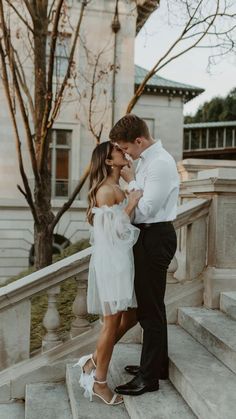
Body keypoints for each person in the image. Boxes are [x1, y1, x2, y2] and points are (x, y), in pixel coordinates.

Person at [109, 114, 179, 396]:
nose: (125, 153)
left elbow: (147, 208)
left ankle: (149, 378)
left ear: (139, 141)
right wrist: (133, 184)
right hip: (147, 236)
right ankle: (156, 365)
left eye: (126, 148)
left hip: (156, 235)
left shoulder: (160, 163)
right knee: (152, 306)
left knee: (150, 311)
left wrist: (130, 182)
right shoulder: (147, 161)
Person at [74, 141, 143, 406]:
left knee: (132, 315)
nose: (123, 152)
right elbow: (111, 234)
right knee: (111, 322)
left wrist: (132, 185)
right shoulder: (105, 192)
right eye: (117, 151)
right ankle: (99, 383)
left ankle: (93, 359)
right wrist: (131, 203)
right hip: (111, 263)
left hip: (121, 261)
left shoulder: (117, 188)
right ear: (108, 161)